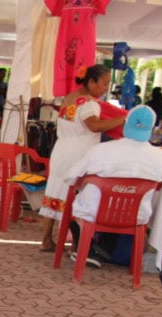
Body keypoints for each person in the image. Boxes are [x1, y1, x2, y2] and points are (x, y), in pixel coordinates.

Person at [62, 105, 162, 267]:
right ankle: (100, 250)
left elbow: (70, 177)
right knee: (127, 207)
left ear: (125, 124)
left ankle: (89, 247)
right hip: (135, 216)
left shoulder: (100, 150)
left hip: (95, 213)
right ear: (151, 129)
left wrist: (84, 183)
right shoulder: (160, 158)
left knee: (76, 202)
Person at [37, 64, 126, 252]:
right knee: (76, 198)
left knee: (55, 192)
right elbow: (94, 126)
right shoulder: (88, 103)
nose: (105, 88)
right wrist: (123, 119)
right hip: (78, 154)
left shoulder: (70, 98)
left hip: (62, 150)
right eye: (104, 83)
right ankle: (77, 243)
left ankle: (46, 240)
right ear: (91, 82)